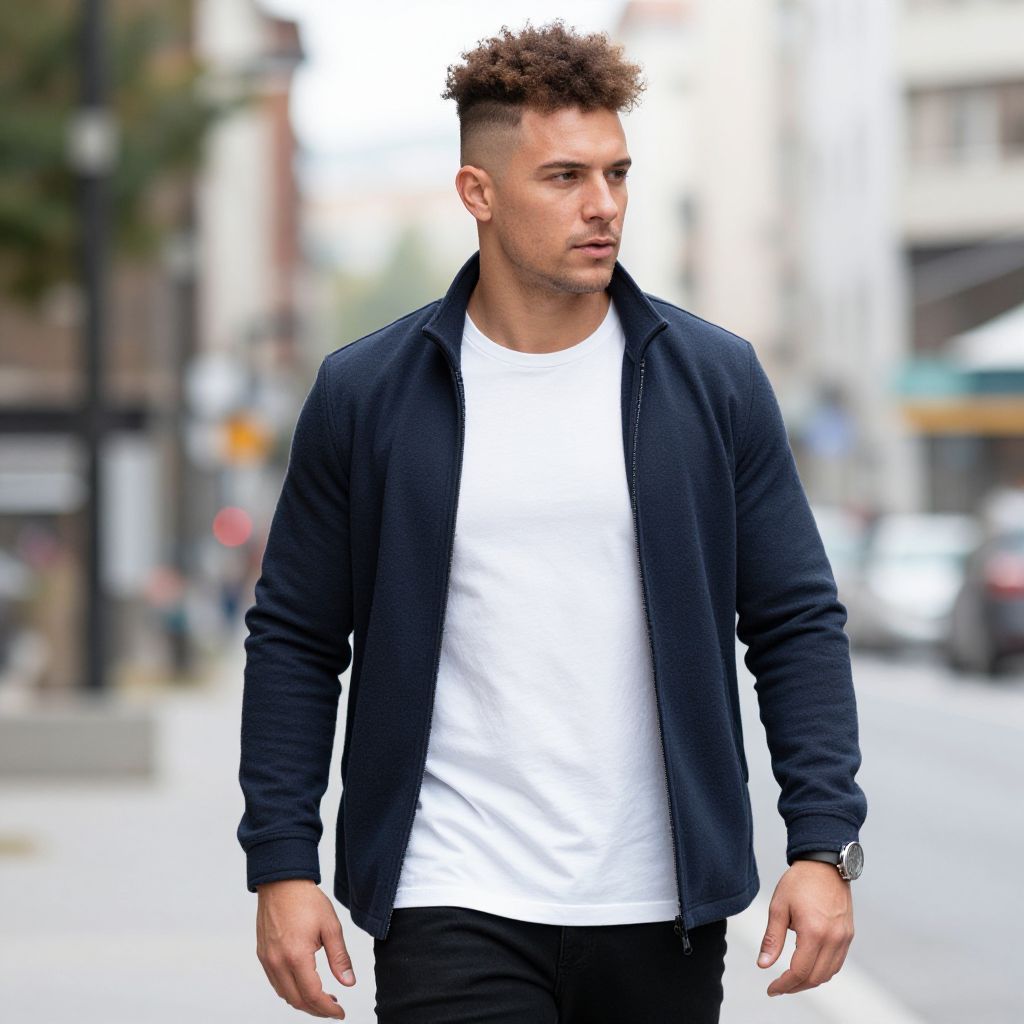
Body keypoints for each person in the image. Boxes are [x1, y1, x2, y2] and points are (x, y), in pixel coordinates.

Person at [236, 18, 868, 1023]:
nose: (603, 205)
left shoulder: (712, 381)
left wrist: (822, 844)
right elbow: (297, 639)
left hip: (659, 904)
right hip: (450, 890)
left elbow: (793, 620)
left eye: (617, 173)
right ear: (476, 193)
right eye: (564, 177)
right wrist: (281, 861)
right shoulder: (368, 393)